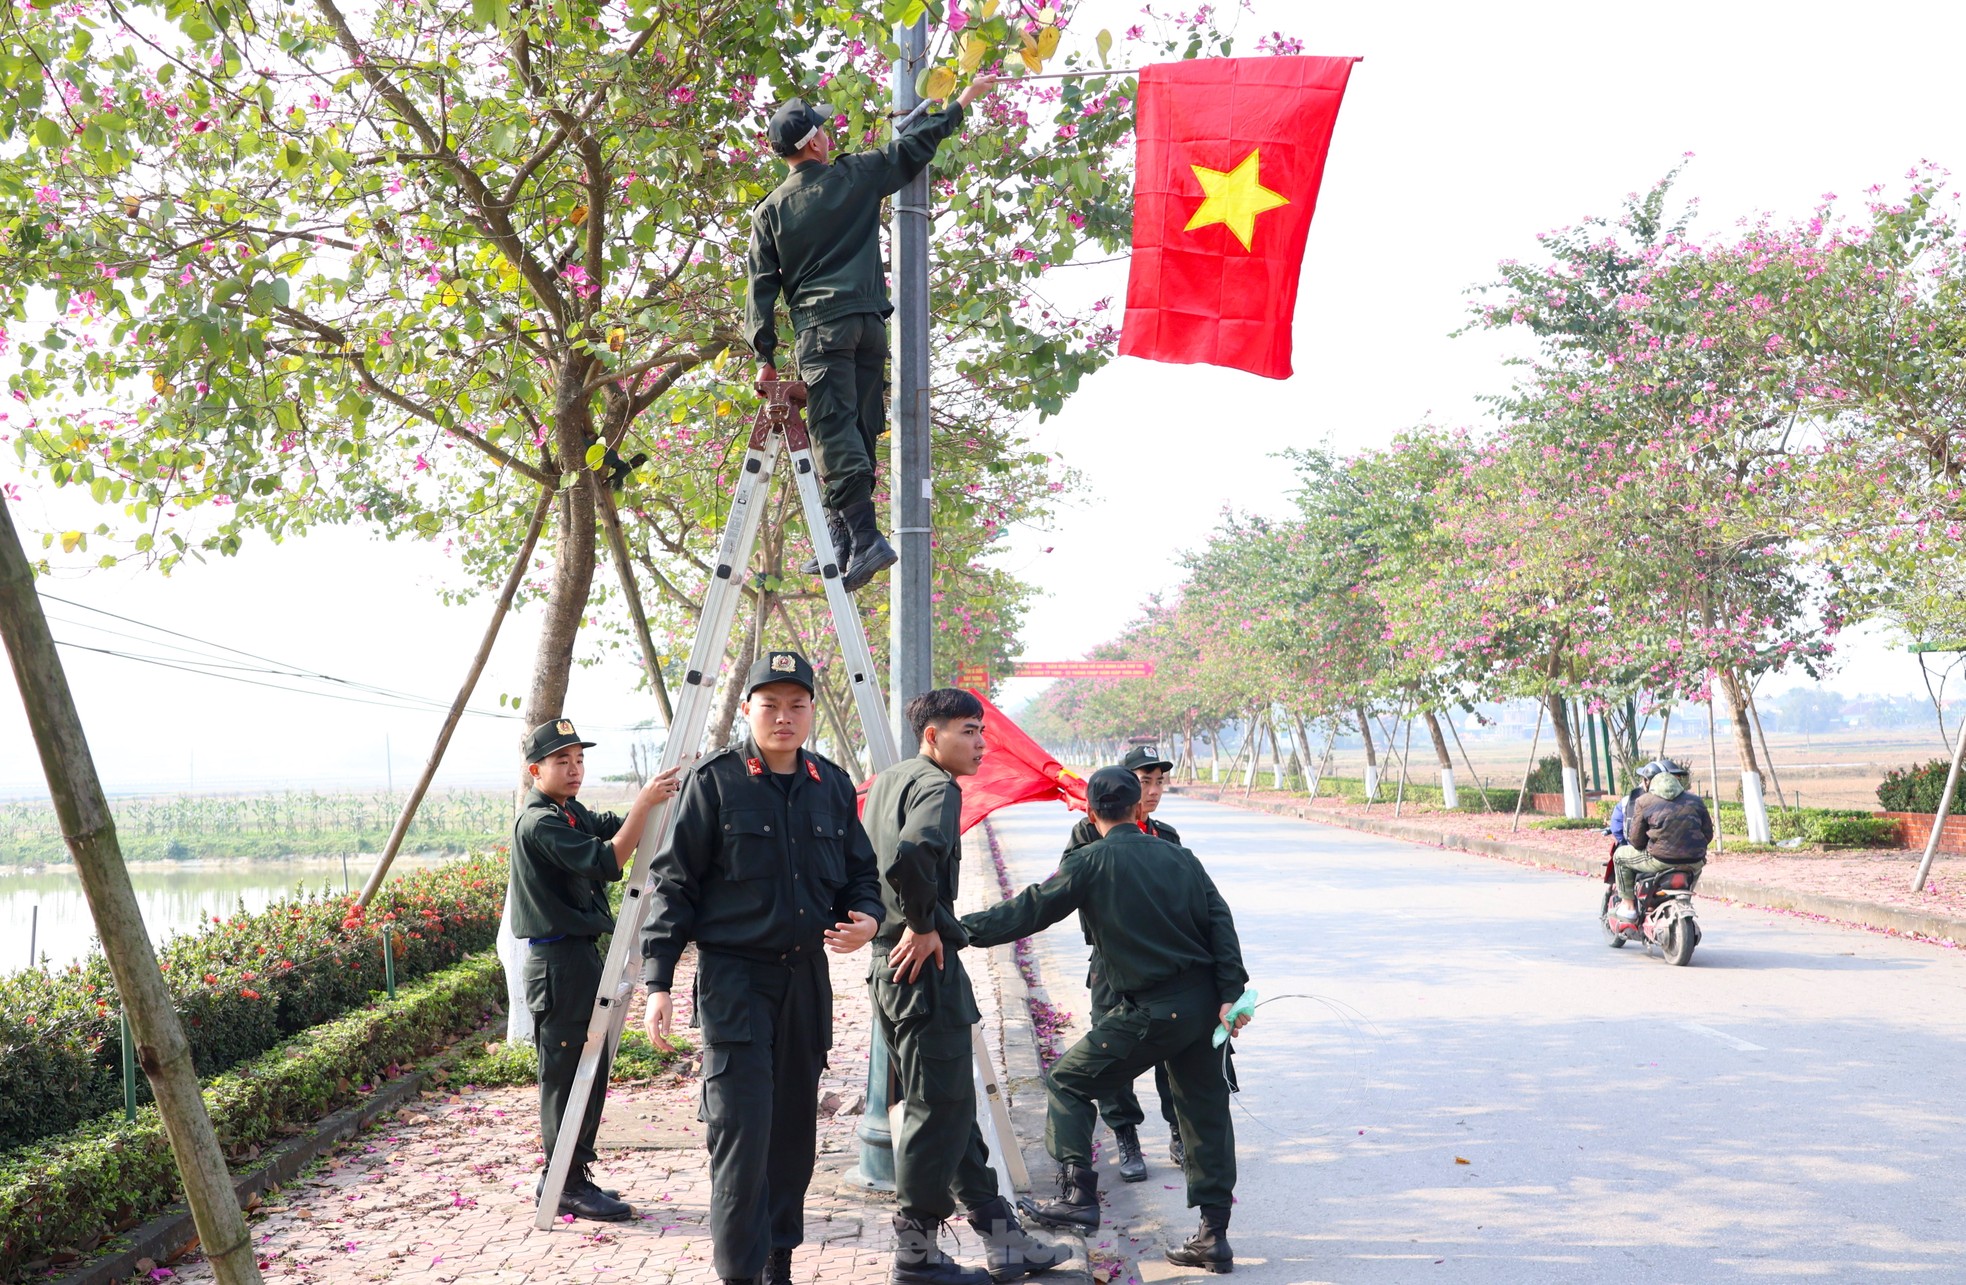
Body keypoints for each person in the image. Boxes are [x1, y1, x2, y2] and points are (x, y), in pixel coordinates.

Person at [637, 651, 886, 1285]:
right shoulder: (716, 781)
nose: (783, 716)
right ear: (747, 709)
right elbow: (673, 883)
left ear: (809, 712)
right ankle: (739, 1274)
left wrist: (867, 919)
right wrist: (659, 981)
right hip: (734, 980)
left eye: (796, 704)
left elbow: (862, 873)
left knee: (794, 1131)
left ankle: (780, 1257)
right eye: (769, 704)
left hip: (805, 981)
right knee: (742, 1133)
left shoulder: (830, 783)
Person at [961, 767, 1250, 1271]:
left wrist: (953, 929)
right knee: (1205, 1117)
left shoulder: (1089, 861)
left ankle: (1079, 1193)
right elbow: (1220, 921)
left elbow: (1030, 910)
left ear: (1092, 813)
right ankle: (1213, 1236)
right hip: (1204, 1008)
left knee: (1069, 1081)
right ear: (1139, 809)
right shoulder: (1181, 857)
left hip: (1152, 1010)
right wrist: (1231, 995)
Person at [747, 78, 997, 594]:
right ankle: (843, 537)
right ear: (813, 142)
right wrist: (962, 102)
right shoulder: (855, 174)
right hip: (867, 324)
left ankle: (863, 536)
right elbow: (912, 148)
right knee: (858, 426)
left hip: (821, 329)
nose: (828, 132)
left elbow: (761, 286)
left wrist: (764, 355)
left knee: (833, 427)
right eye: (823, 127)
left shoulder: (770, 211)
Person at [865, 688, 1063, 1285]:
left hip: (890, 967)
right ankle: (916, 1255)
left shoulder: (888, 780)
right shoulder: (937, 786)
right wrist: (925, 926)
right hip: (921, 969)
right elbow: (912, 858)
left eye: (981, 731)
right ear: (934, 736)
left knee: (952, 1111)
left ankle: (1004, 1241)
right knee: (938, 1109)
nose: (981, 744)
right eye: (969, 732)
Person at [510, 718, 682, 1222]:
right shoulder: (539, 822)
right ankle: (563, 1181)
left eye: (579, 759)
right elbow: (609, 859)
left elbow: (609, 825)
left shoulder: (566, 812)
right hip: (559, 962)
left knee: (591, 1066)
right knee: (565, 1074)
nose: (574, 769)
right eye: (562, 761)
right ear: (534, 769)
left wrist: (657, 800)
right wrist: (646, 803)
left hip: (580, 956)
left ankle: (568, 1173)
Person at [1060, 745, 1187, 1181]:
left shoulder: (1166, 836)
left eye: (1159, 782)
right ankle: (1126, 1136)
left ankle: (1178, 1131)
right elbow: (1066, 890)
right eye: (1143, 782)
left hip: (1163, 967)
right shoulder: (1088, 833)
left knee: (1172, 1048)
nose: (1151, 792)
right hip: (1111, 965)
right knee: (1113, 1053)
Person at [1612, 758, 1713, 919]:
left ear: (1647, 782)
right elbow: (1708, 834)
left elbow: (1636, 841)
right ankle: (1684, 898)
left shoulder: (1643, 801)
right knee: (1695, 866)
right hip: (1695, 861)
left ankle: (1628, 905)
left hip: (1660, 860)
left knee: (1619, 856)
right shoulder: (1696, 800)